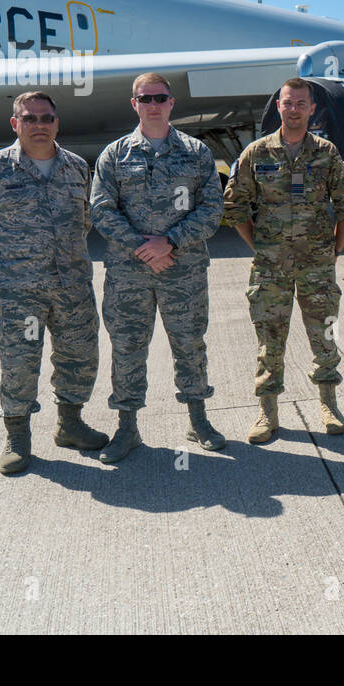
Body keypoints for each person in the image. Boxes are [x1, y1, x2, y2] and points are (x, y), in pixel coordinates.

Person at [0, 91, 108, 475]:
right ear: (15, 124)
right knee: (19, 363)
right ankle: (17, 437)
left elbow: (85, 220)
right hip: (17, 292)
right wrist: (4, 261)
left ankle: (69, 424)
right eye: (29, 118)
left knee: (79, 357)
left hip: (72, 285)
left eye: (46, 118)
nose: (39, 125)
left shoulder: (75, 168)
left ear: (57, 123)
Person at [89, 72, 226, 462]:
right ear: (134, 104)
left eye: (159, 97)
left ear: (171, 103)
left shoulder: (196, 153)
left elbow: (213, 208)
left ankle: (198, 421)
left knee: (190, 344)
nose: (152, 104)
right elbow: (100, 209)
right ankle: (127, 428)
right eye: (144, 98)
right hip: (128, 273)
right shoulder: (115, 155)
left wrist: (170, 241)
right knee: (127, 348)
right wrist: (142, 246)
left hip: (183, 270)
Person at [224, 78, 344, 440]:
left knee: (325, 334)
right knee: (269, 338)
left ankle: (329, 405)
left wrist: (336, 249)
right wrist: (259, 245)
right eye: (288, 103)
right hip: (271, 265)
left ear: (312, 108)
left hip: (317, 263)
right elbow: (235, 206)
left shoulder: (327, 153)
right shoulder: (257, 153)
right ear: (279, 107)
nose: (295, 109)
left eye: (302, 103)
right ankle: (267, 412)